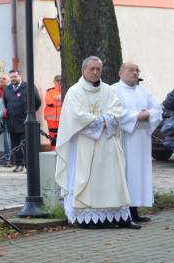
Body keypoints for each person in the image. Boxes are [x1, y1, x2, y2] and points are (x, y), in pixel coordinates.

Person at [54, 56, 134, 229]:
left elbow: (117, 109)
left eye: (98, 69)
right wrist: (101, 122)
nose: (96, 72)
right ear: (83, 70)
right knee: (89, 180)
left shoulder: (107, 90)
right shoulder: (75, 92)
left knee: (113, 179)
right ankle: (88, 218)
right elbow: (76, 116)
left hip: (108, 143)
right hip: (85, 144)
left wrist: (106, 120)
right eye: (92, 69)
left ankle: (117, 217)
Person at [113, 62, 162, 224]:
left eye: (137, 71)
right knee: (126, 174)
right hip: (124, 139)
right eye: (131, 70)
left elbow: (157, 110)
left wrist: (148, 113)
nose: (135, 73)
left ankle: (134, 212)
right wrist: (136, 116)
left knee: (138, 176)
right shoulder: (114, 90)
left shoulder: (144, 92)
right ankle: (123, 212)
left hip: (141, 140)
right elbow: (114, 112)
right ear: (121, 73)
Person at [2, 69, 41, 171]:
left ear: (20, 76)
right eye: (11, 77)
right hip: (12, 122)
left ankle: (29, 166)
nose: (13, 79)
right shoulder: (7, 89)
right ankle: (19, 163)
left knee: (27, 145)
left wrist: (30, 113)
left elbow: (37, 101)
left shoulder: (28, 87)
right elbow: (5, 104)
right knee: (15, 145)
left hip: (25, 121)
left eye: (15, 77)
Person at [44, 75, 63, 148]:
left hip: (62, 118)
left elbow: (65, 100)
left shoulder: (65, 90)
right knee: (52, 135)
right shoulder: (49, 90)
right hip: (51, 119)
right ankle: (54, 151)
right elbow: (48, 102)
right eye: (57, 81)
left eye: (60, 80)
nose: (59, 82)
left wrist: (55, 99)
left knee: (62, 134)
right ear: (54, 82)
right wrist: (59, 101)